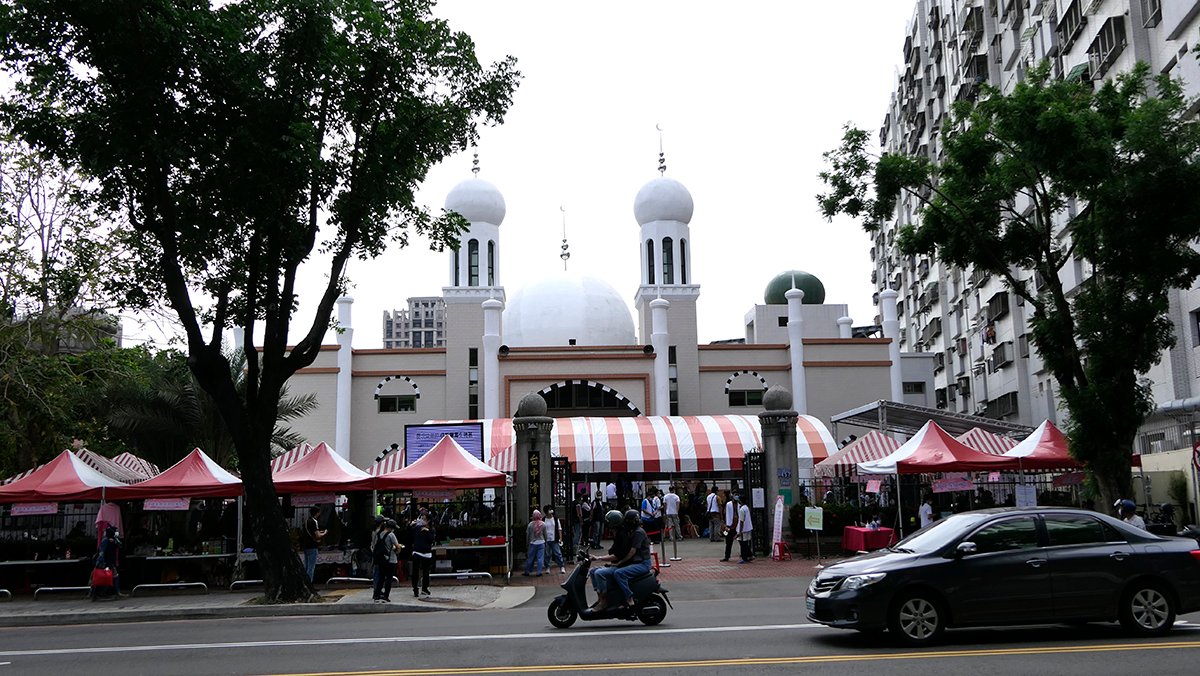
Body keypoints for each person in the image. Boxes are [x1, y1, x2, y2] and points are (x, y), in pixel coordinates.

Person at [588, 510, 629, 611]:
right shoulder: (617, 534)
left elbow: (617, 555)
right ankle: (600, 598)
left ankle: (604, 602)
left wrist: (599, 558)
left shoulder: (622, 535)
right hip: (615, 563)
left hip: (621, 565)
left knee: (599, 573)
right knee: (592, 571)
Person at [610, 510, 652, 608]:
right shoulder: (632, 531)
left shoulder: (639, 532)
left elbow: (632, 551)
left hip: (643, 563)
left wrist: (620, 562)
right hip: (637, 562)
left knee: (619, 573)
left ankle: (629, 597)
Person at [92, 526, 123, 599]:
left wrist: (115, 539)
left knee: (113, 576)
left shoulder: (113, 540)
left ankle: (114, 592)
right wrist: (101, 562)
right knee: (104, 578)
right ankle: (99, 593)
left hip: (110, 562)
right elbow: (101, 552)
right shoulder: (105, 540)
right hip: (106, 563)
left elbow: (120, 545)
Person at [372, 520, 400, 602]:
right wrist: (397, 550)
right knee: (389, 579)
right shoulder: (391, 535)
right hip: (390, 560)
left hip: (381, 560)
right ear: (391, 528)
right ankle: (386, 596)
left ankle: (376, 595)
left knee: (381, 578)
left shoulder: (379, 534)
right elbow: (397, 546)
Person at [300, 506, 327, 582]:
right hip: (312, 546)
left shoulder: (306, 521)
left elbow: (310, 533)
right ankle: (309, 583)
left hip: (306, 546)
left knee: (306, 566)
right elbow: (318, 535)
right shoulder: (314, 521)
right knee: (311, 567)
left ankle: (304, 582)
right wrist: (324, 533)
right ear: (317, 513)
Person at [410, 517, 434, 597]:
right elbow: (409, 536)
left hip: (426, 553)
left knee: (426, 572)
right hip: (417, 552)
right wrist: (411, 526)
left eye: (424, 519)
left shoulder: (430, 530)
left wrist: (427, 532)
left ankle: (424, 588)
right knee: (415, 572)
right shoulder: (416, 528)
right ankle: (415, 588)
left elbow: (431, 540)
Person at [543, 505, 566, 574]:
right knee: (547, 554)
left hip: (554, 539)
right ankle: (547, 567)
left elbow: (559, 529)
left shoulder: (555, 519)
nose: (551, 511)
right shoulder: (543, 519)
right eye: (549, 510)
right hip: (546, 539)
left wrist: (560, 538)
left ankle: (561, 566)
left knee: (558, 553)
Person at [523, 509, 546, 576]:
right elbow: (545, 534)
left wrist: (527, 543)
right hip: (541, 543)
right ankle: (539, 572)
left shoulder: (530, 525)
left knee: (530, 558)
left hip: (532, 543)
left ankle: (527, 571)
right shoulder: (543, 524)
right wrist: (546, 541)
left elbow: (527, 535)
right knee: (540, 558)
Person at [722, 491, 739, 562]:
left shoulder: (739, 504)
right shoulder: (728, 504)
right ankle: (727, 556)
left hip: (738, 525)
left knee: (742, 541)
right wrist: (726, 525)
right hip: (730, 525)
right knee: (728, 542)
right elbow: (726, 515)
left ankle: (746, 554)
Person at [736, 498, 754, 563]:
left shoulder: (742, 509)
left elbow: (741, 521)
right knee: (745, 543)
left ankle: (744, 558)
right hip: (748, 528)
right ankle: (750, 555)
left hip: (743, 529)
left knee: (743, 543)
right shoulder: (746, 508)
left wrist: (740, 532)